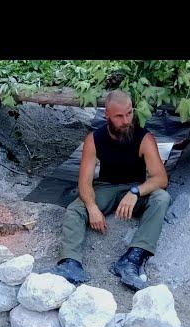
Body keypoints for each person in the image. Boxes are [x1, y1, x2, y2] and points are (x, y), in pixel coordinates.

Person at [51, 90, 171, 290]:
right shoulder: (94, 139)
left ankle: (132, 259)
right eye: (119, 116)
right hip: (107, 187)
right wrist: (92, 207)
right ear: (107, 115)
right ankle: (70, 264)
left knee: (162, 198)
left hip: (136, 189)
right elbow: (84, 182)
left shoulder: (144, 138)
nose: (126, 120)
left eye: (129, 113)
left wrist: (135, 192)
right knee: (75, 209)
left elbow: (161, 178)